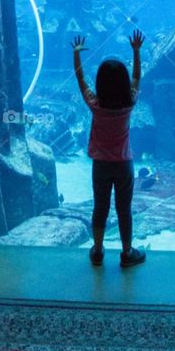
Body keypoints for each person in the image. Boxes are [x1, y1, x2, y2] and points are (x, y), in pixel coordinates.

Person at [72, 28, 146, 268]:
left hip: (100, 164)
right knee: (124, 209)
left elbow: (80, 80)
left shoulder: (95, 104)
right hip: (123, 164)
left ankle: (97, 250)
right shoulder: (129, 103)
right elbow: (136, 77)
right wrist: (136, 51)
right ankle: (127, 252)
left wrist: (76, 54)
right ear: (124, 84)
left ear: (100, 84)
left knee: (100, 207)